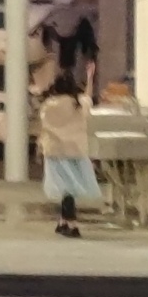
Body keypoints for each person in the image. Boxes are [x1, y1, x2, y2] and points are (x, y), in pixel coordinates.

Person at [38, 74, 99, 237]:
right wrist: (89, 78)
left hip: (55, 151)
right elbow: (88, 97)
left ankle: (67, 222)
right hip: (75, 151)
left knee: (64, 188)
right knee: (70, 189)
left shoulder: (48, 105)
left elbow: (44, 125)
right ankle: (68, 222)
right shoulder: (77, 104)